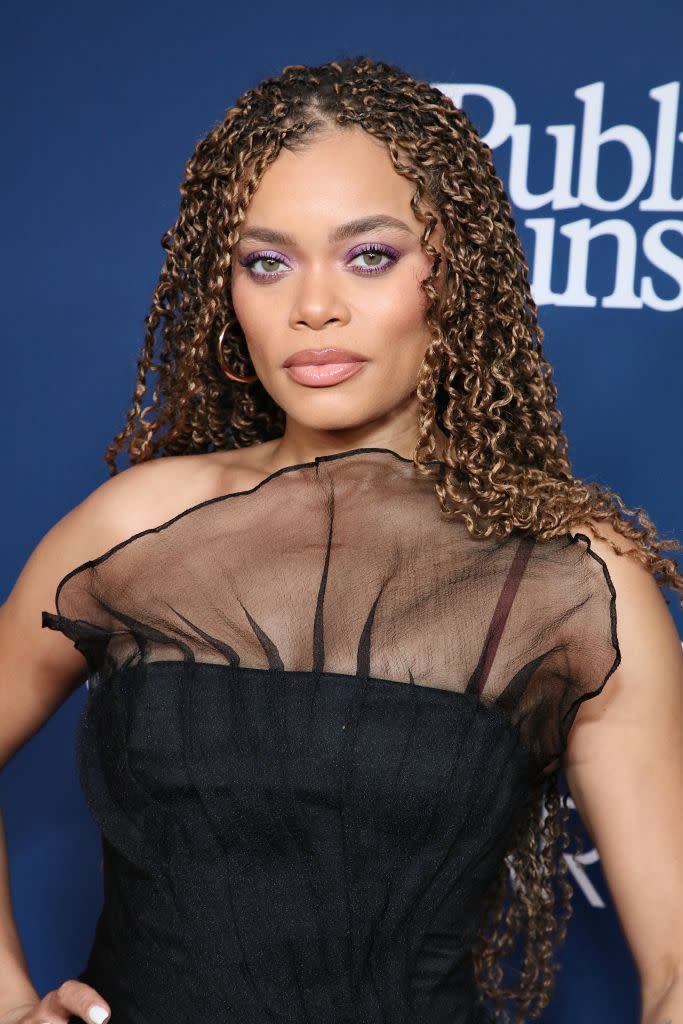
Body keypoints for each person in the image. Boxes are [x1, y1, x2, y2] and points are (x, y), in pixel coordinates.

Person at [1, 55, 682, 1024]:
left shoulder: (573, 577)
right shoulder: (133, 526)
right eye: (264, 261)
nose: (312, 305)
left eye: (369, 255)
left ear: (453, 270)